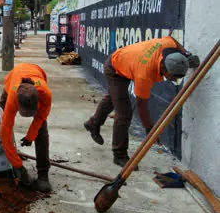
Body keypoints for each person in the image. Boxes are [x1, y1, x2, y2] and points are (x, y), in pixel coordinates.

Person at [83, 36, 200, 167]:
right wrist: (150, 129)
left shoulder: (167, 45)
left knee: (113, 98)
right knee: (124, 114)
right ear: (163, 67)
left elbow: (173, 40)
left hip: (126, 61)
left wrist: (186, 54)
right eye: (172, 76)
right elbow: (141, 106)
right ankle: (119, 155)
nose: (174, 80)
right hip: (115, 68)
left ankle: (93, 124)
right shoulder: (145, 74)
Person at [0, 63, 53, 192]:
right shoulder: (12, 96)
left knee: (41, 130)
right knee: (2, 116)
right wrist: (18, 166)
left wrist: (31, 136)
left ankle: (43, 174)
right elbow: (5, 132)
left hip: (37, 73)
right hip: (14, 76)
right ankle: (9, 156)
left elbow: (40, 118)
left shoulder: (45, 94)